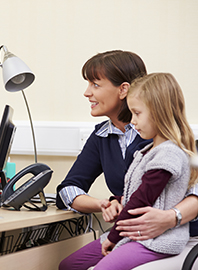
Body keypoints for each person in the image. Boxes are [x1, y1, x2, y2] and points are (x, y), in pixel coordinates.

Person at [56, 51, 198, 269]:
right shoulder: (102, 137)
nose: (87, 93)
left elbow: (193, 192)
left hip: (174, 235)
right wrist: (104, 203)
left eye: (95, 84)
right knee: (69, 265)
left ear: (123, 89)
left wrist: (170, 218)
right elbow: (68, 189)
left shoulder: (164, 143)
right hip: (129, 231)